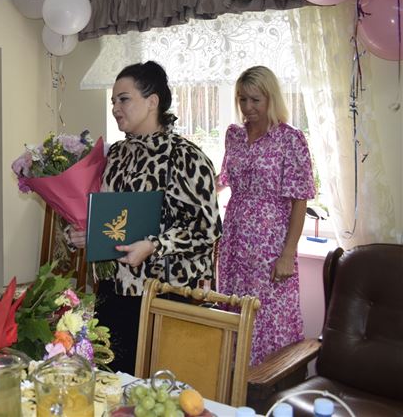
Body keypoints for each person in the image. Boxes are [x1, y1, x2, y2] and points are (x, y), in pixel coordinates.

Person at [69, 61, 220, 374]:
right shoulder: (116, 155)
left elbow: (206, 230)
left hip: (163, 294)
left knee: (153, 385)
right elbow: (112, 217)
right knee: (111, 379)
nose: (115, 108)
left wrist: (154, 246)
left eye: (124, 99)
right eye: (113, 101)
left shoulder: (186, 157)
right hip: (113, 289)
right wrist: (87, 233)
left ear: (153, 102)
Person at [217, 65, 315, 366]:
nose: (248, 107)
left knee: (270, 314)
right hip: (234, 240)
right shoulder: (234, 135)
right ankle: (234, 380)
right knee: (234, 307)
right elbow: (223, 181)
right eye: (242, 99)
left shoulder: (290, 139)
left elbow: (300, 200)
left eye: (255, 100)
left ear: (271, 98)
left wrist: (288, 253)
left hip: (270, 244)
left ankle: (268, 381)